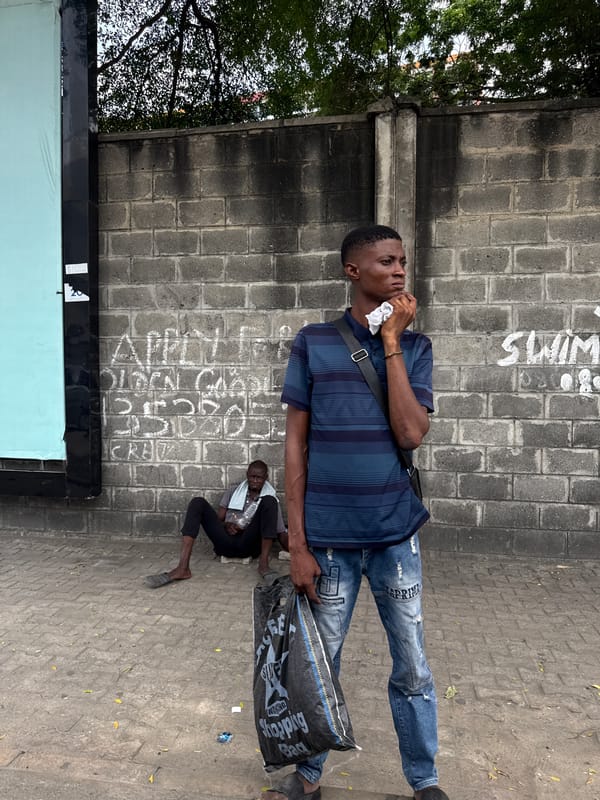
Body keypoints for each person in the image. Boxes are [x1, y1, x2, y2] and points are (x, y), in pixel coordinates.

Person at [261, 226, 448, 800]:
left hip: (395, 535)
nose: (398, 271)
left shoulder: (416, 348)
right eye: (385, 262)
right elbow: (294, 444)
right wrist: (297, 542)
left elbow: (411, 434)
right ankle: (310, 775)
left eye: (403, 262)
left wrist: (392, 340)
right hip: (330, 542)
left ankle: (424, 781)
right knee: (321, 665)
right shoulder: (313, 341)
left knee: (412, 667)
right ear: (352, 271)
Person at [145, 460, 288, 587]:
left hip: (248, 544)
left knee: (269, 501)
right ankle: (183, 568)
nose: (255, 481)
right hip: (225, 542)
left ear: (266, 478)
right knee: (197, 503)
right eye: (252, 477)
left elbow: (280, 533)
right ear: (247, 475)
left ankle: (263, 566)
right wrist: (228, 525)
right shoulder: (234, 490)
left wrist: (297, 550)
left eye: (259, 478)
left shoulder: (269, 497)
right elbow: (219, 519)